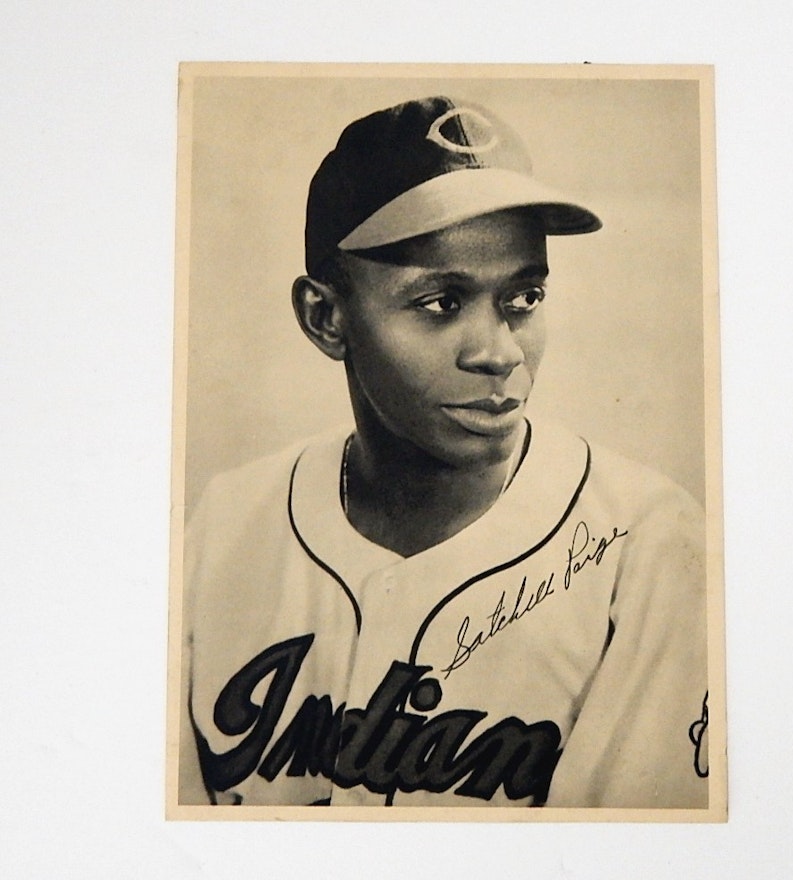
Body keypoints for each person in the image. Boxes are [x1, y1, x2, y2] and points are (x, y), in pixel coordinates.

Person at [179, 96, 709, 808]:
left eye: (522, 297)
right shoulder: (229, 520)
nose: (498, 353)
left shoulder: (644, 539)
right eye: (440, 302)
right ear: (326, 317)